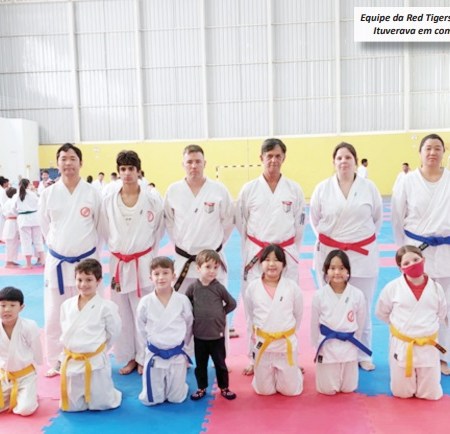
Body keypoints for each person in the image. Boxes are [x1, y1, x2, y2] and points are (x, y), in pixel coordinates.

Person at [310, 142, 382, 372]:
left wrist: (358, 240)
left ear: (355, 161)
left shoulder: (369, 188)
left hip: (362, 253)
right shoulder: (322, 188)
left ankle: (363, 353)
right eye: (339, 158)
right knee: (330, 305)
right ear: (334, 162)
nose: (344, 161)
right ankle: (331, 350)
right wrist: (334, 246)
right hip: (331, 255)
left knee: (363, 304)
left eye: (348, 157)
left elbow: (377, 219)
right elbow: (315, 219)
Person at [38, 143, 103, 376]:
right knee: (54, 313)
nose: (68, 163)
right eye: (63, 159)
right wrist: (60, 247)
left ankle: (90, 353)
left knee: (89, 310)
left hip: (86, 261)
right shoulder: (48, 193)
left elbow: (99, 227)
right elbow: (45, 227)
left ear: (81, 163)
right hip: (58, 261)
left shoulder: (92, 193)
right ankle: (56, 359)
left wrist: (90, 256)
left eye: (72, 158)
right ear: (57, 164)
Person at [391, 133, 450, 375]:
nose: (433, 152)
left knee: (445, 307)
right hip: (415, 251)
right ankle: (415, 353)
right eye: (428, 148)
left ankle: (442, 355)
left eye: (437, 148)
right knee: (415, 303)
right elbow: (397, 217)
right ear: (420, 152)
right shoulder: (407, 181)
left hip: (446, 251)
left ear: (444, 152)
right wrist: (403, 251)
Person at [101, 150, 164, 375]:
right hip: (118, 263)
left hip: (143, 261)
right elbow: (105, 229)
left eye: (131, 169)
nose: (127, 173)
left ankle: (144, 356)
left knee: (143, 311)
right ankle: (127, 356)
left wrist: (148, 254)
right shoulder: (108, 200)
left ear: (139, 171)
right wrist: (118, 249)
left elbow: (158, 230)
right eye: (123, 169)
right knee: (121, 313)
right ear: (118, 172)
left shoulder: (152, 199)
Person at [375, 245, 447, 400]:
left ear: (423, 260)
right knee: (402, 393)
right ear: (400, 268)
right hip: (403, 343)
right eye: (406, 263)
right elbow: (381, 312)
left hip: (428, 344)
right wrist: (400, 327)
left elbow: (442, 314)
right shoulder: (392, 288)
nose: (412, 265)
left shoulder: (436, 288)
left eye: (415, 259)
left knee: (431, 394)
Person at [236, 137, 305, 290]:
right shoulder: (249, 189)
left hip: (285, 252)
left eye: (278, 156)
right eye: (269, 156)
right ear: (261, 158)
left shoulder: (294, 189)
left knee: (287, 296)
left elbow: (299, 227)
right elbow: (242, 223)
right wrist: (256, 243)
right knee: (254, 295)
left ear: (284, 158)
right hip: (257, 252)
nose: (274, 160)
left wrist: (286, 245)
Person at [164, 144, 234, 295]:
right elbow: (169, 222)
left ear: (204, 163)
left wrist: (216, 244)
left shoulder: (219, 190)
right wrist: (181, 242)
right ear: (183, 164)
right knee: (182, 306)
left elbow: (228, 222)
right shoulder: (173, 190)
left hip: (211, 262)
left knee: (214, 307)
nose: (194, 166)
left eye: (198, 161)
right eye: (189, 162)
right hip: (184, 260)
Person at [59, 258, 121, 411]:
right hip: (73, 361)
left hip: (94, 360)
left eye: (89, 280)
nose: (83, 284)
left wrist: (100, 349)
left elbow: (114, 332)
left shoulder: (106, 307)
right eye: (79, 280)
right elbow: (65, 330)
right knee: (71, 407)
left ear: (98, 281)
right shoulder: (67, 305)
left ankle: (107, 391)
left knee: (102, 404)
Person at [244, 244, 303, 396]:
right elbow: (250, 315)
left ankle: (295, 373)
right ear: (261, 263)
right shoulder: (252, 287)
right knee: (264, 391)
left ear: (283, 264)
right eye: (267, 259)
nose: (271, 264)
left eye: (277, 260)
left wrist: (288, 332)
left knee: (291, 391)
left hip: (285, 345)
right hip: (263, 344)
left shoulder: (292, 287)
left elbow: (298, 315)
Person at [136, 257, 193, 406]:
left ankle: (179, 385)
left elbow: (189, 325)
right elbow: (140, 327)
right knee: (152, 400)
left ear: (173, 276)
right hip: (155, 354)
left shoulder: (182, 300)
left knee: (176, 398)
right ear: (150, 278)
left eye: (165, 273)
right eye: (156, 274)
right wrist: (148, 346)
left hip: (176, 353)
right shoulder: (145, 302)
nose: (161, 277)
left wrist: (185, 346)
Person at [311, 250, 370, 395]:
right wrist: (317, 343)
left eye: (341, 268)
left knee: (349, 388)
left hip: (348, 344)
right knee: (326, 390)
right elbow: (314, 323)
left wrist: (355, 339)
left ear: (348, 271)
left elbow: (361, 321)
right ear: (326, 271)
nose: (337, 272)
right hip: (327, 344)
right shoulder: (319, 295)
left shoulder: (357, 294)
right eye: (332, 268)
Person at [186, 250, 237, 401]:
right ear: (198, 268)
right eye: (208, 267)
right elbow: (186, 303)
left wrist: (221, 313)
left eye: (215, 267)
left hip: (217, 335)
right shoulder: (193, 287)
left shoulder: (219, 287)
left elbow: (232, 303)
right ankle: (201, 388)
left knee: (220, 364)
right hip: (200, 335)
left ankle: (224, 387)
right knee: (200, 365)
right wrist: (194, 314)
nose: (212, 271)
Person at [0, 286, 43, 415]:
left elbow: (37, 350)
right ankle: (16, 395)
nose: (7, 309)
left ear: (21, 307)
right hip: (4, 375)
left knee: (25, 409)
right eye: (3, 305)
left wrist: (38, 363)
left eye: (12, 305)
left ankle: (29, 394)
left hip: (25, 376)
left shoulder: (29, 326)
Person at [14, 179, 46, 269]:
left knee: (26, 242)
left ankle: (28, 264)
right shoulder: (33, 194)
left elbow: (13, 208)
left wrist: (18, 213)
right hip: (35, 218)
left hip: (23, 219)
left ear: (19, 185)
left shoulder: (17, 195)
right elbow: (40, 205)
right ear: (28, 184)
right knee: (38, 240)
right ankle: (43, 261)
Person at [2, 187, 20, 268]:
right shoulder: (11, 202)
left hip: (12, 222)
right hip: (11, 222)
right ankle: (8, 261)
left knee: (15, 243)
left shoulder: (9, 202)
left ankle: (13, 260)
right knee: (10, 243)